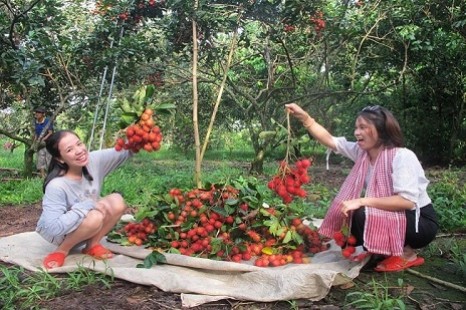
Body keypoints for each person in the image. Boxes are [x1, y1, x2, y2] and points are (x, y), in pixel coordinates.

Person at [285, 103, 438, 272]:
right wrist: (305, 118)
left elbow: (407, 201)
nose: (357, 132)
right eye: (356, 127)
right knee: (352, 212)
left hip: (419, 223)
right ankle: (383, 249)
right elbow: (330, 140)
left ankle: (407, 253)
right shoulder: (361, 153)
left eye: (363, 127)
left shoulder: (402, 157)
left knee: (361, 210)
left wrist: (361, 200)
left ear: (381, 130)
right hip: (395, 216)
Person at [36, 130, 133, 269]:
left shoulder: (93, 160)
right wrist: (88, 205)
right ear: (60, 159)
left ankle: (92, 245)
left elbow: (126, 151)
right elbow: (53, 228)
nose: (79, 151)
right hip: (62, 233)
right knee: (95, 216)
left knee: (117, 201)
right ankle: (62, 250)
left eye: (79, 144)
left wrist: (140, 132)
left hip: (89, 223)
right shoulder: (57, 185)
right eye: (69, 150)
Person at [34, 107, 54, 178]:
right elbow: (36, 133)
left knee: (48, 159)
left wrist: (43, 139)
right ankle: (42, 176)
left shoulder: (47, 121)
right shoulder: (36, 122)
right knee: (40, 159)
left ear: (43, 114)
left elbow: (50, 132)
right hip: (40, 144)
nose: (37, 114)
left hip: (48, 143)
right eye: (36, 112)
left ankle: (50, 176)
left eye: (39, 113)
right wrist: (35, 141)